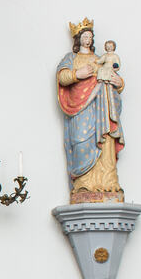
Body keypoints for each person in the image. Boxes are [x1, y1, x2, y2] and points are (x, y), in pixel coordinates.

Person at [56, 19, 125, 204]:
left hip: (102, 109)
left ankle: (108, 183)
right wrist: (77, 74)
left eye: (90, 36)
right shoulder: (71, 58)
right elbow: (62, 77)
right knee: (81, 140)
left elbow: (114, 78)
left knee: (106, 140)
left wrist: (119, 83)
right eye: (84, 36)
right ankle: (83, 184)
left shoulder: (99, 59)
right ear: (78, 39)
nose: (88, 39)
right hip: (81, 110)